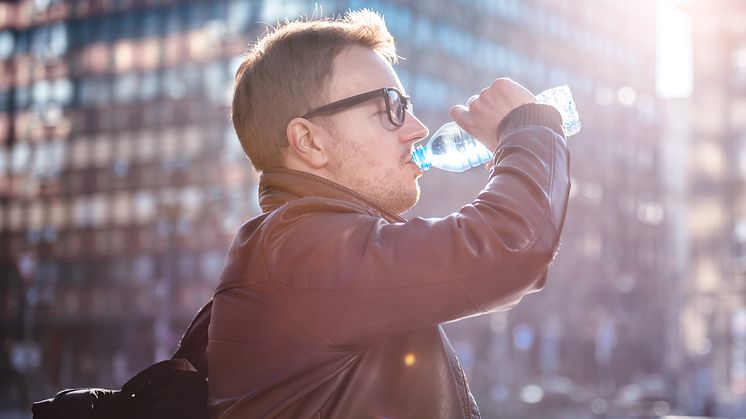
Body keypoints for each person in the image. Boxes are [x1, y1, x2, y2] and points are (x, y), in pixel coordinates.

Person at [208, 9, 570, 419]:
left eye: (408, 105)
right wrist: (528, 127)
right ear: (309, 141)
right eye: (391, 106)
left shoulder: (301, 246)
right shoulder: (300, 248)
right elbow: (509, 248)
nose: (417, 128)